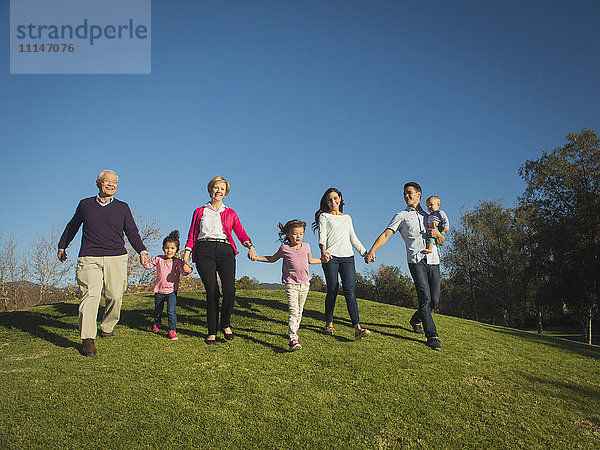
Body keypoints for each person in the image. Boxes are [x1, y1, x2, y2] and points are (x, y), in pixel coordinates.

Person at [57, 170, 149, 357]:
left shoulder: (123, 207)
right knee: (90, 296)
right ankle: (88, 339)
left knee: (115, 296)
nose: (112, 185)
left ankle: (107, 326)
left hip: (116, 256)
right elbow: (73, 225)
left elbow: (132, 231)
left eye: (115, 182)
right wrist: (62, 245)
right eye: (107, 181)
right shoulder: (85, 205)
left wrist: (142, 251)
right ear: (98, 183)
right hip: (89, 257)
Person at [365, 182, 445, 350]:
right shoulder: (401, 216)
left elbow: (442, 241)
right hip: (416, 261)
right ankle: (432, 336)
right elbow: (387, 234)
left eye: (409, 193)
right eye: (404, 194)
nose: (406, 196)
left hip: (434, 260)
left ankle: (416, 319)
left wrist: (438, 234)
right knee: (425, 297)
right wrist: (372, 249)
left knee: (434, 301)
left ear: (419, 194)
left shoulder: (432, 215)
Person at [183, 176, 257, 345]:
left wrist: (250, 246)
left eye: (222, 189)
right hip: (204, 250)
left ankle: (225, 324)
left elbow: (241, 233)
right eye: (216, 188)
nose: (218, 191)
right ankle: (211, 331)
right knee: (212, 291)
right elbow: (192, 235)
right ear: (211, 190)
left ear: (226, 192)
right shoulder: (200, 211)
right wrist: (186, 255)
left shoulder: (230, 212)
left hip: (225, 251)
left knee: (229, 290)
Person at [253, 219, 321, 351]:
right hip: (291, 284)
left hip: (305, 284)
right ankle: (293, 338)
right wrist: (257, 258)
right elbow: (272, 259)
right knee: (293, 311)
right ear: (288, 234)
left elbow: (311, 260)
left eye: (301, 234)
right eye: (295, 234)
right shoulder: (285, 249)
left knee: (300, 311)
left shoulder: (306, 246)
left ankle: (295, 331)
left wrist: (323, 260)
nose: (298, 236)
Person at [312, 187, 371, 339]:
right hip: (330, 258)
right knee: (333, 288)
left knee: (350, 291)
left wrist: (365, 253)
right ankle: (329, 323)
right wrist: (323, 250)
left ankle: (357, 328)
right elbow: (322, 235)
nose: (333, 201)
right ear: (326, 202)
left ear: (340, 199)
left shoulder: (347, 218)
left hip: (348, 258)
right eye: (329, 199)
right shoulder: (324, 217)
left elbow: (353, 238)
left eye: (335, 198)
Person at [143, 230, 192, 340]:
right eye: (167, 248)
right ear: (163, 248)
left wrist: (188, 270)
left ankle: (172, 330)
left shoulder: (178, 262)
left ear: (177, 250)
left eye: (172, 248)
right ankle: (157, 322)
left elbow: (183, 272)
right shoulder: (158, 259)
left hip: (171, 291)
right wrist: (144, 262)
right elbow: (149, 266)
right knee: (158, 309)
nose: (169, 250)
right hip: (159, 290)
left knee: (171, 311)